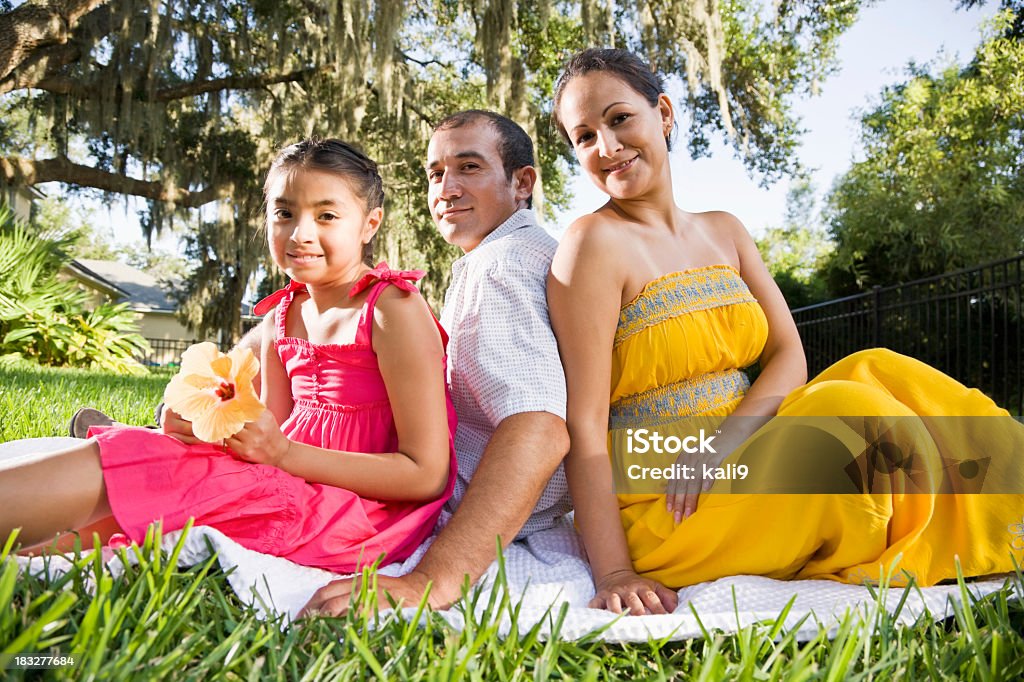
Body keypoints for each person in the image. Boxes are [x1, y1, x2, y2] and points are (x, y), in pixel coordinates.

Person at [547, 47, 1024, 614]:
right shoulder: (590, 244)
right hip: (665, 490)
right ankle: (978, 535)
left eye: (619, 118)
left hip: (741, 443)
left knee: (877, 366)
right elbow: (584, 422)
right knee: (852, 413)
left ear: (665, 114)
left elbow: (787, 354)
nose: (607, 147)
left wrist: (721, 446)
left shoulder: (725, 231)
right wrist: (616, 570)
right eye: (584, 136)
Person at [0, 138, 458, 573]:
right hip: (292, 482)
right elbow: (269, 430)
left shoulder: (392, 309)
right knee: (132, 488)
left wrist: (281, 453)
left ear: (370, 224)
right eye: (284, 213)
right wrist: (207, 431)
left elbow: (425, 475)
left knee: (142, 467)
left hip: (361, 516)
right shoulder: (286, 312)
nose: (300, 233)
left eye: (326, 216)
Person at [301, 111, 570, 614]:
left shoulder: (499, 266)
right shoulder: (525, 252)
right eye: (435, 172)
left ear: (523, 183)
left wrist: (433, 580)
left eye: (469, 167)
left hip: (434, 509)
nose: (445, 189)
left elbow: (539, 428)